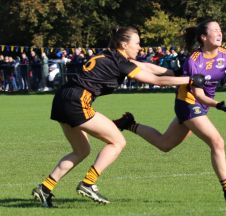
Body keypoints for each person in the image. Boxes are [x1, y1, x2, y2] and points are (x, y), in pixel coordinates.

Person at [31, 26, 204, 208]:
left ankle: (45, 188)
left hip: (62, 99)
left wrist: (175, 74)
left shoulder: (112, 56)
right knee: (117, 141)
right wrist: (190, 80)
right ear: (124, 44)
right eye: (137, 43)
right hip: (77, 101)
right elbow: (156, 81)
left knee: (81, 150)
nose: (140, 47)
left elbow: (146, 66)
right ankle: (88, 183)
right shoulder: (120, 61)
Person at [114, 19, 226, 202]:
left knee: (165, 144)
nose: (219, 33)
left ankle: (129, 124)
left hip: (201, 105)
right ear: (203, 37)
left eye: (220, 30)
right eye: (215, 30)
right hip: (188, 103)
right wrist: (216, 104)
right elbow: (198, 94)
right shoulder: (194, 61)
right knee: (217, 141)